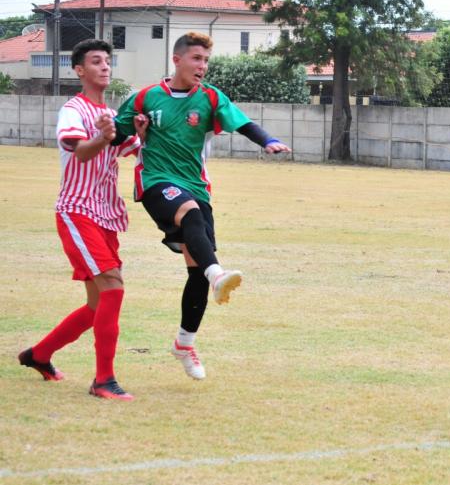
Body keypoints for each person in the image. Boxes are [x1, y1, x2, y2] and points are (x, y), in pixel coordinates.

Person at [114, 32, 291, 381]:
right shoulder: (145, 98)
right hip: (156, 181)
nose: (202, 67)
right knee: (190, 213)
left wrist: (268, 140)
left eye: (206, 61)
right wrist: (135, 132)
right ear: (176, 59)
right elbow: (117, 137)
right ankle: (218, 275)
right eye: (196, 59)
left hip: (196, 185)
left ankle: (184, 343)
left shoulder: (210, 97)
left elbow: (242, 123)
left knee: (195, 270)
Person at [18, 39, 148, 401]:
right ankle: (103, 380)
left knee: (97, 306)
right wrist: (101, 137)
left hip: (105, 216)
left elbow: (132, 148)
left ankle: (38, 355)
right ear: (79, 70)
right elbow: (80, 151)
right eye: (96, 61)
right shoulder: (73, 109)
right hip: (78, 211)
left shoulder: (110, 114)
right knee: (113, 288)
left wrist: (139, 131)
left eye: (108, 61)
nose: (105, 66)